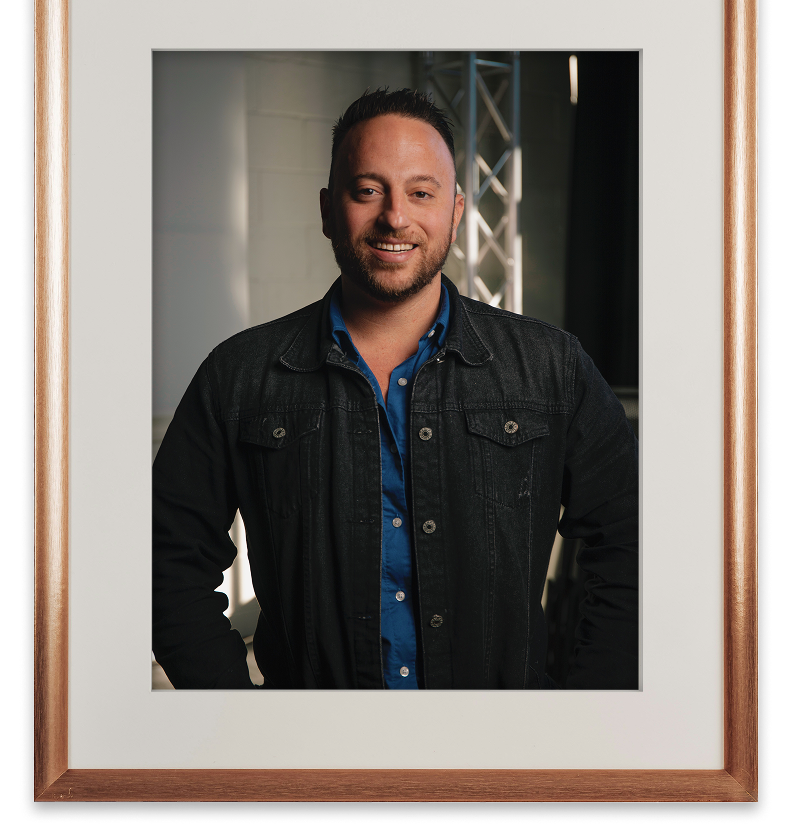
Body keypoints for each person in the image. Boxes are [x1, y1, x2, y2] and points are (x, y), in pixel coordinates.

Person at [152, 88, 638, 690]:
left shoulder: (551, 368)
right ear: (328, 210)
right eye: (367, 190)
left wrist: (588, 716)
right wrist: (237, 719)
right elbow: (165, 563)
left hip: (501, 742)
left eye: (421, 193)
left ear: (455, 212)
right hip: (312, 743)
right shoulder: (239, 376)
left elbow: (636, 543)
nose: (395, 217)